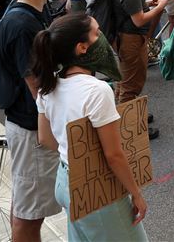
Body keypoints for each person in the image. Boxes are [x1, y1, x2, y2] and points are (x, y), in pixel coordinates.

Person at [30, 13, 149, 241]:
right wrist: (136, 194)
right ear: (82, 48)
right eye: (97, 33)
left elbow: (45, 137)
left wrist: (73, 154)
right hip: (97, 188)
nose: (102, 36)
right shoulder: (96, 90)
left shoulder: (48, 85)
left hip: (65, 181)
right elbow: (113, 154)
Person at [0, 0, 67, 240]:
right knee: (30, 216)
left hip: (28, 127)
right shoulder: (23, 23)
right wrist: (55, 132)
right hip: (32, 130)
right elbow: (37, 87)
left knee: (27, 205)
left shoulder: (28, 10)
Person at [112, 0, 172, 139]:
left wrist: (147, 3)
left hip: (121, 36)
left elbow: (128, 9)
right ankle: (130, 128)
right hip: (130, 38)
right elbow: (139, 19)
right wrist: (161, 5)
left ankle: (127, 116)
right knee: (131, 85)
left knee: (123, 80)